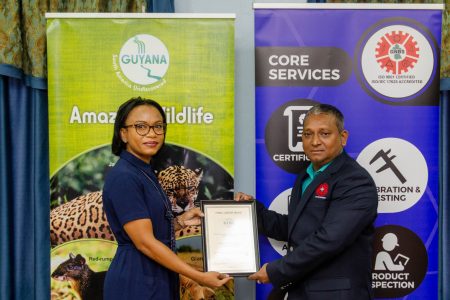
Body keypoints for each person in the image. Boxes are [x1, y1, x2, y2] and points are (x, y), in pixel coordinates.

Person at [236, 103, 378, 299]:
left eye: (325, 134)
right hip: (301, 291)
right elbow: (298, 228)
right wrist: (252, 212)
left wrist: (276, 271)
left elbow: (329, 239)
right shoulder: (306, 176)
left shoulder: (355, 180)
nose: (315, 141)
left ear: (343, 137)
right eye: (308, 134)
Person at [102, 97, 232, 299]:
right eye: (141, 127)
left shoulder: (144, 171)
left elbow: (150, 228)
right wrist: (199, 276)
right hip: (137, 282)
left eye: (158, 126)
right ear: (123, 133)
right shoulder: (125, 176)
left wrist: (180, 221)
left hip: (155, 277)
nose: (151, 133)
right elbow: (145, 242)